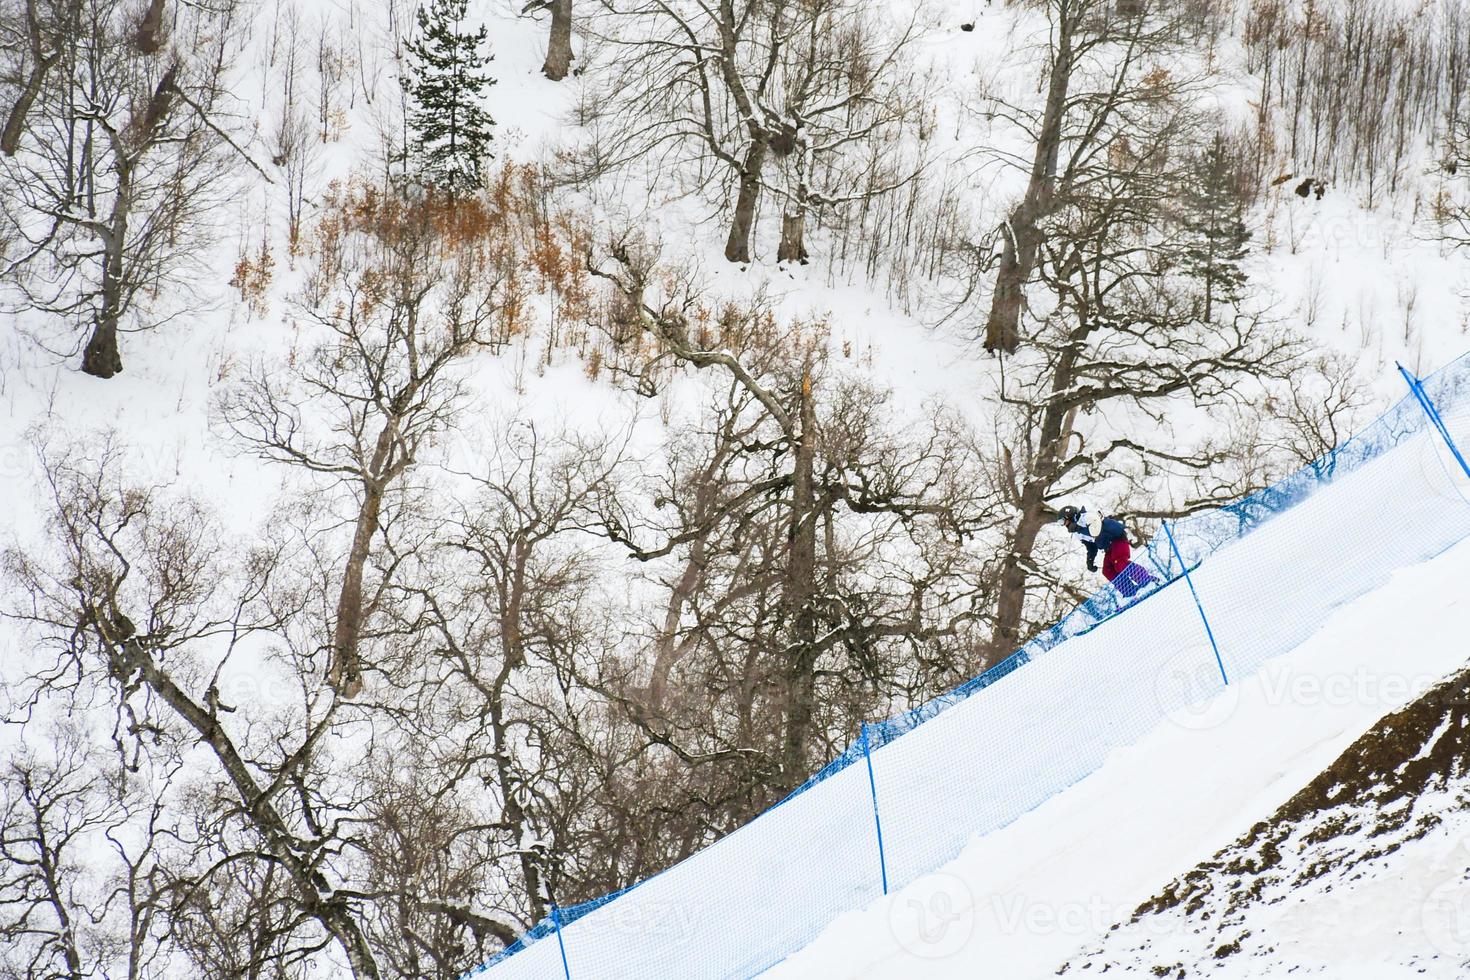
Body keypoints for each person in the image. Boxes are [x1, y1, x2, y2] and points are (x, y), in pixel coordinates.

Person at [1057, 505, 1153, 597]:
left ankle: (1147, 580)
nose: (1064, 525)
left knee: (1119, 563)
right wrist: (1090, 560)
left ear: (1070, 516)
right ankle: (1130, 592)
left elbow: (1096, 531)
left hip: (1117, 538)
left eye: (1063, 521)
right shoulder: (1077, 533)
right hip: (1108, 547)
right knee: (1107, 570)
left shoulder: (1086, 517)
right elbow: (1091, 546)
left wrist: (1079, 528)